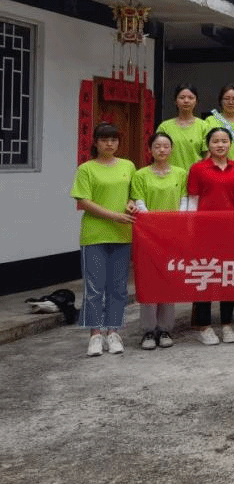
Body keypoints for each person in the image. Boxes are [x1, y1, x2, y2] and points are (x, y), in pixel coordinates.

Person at [71, 122, 136, 357]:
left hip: (122, 234)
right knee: (94, 288)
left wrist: (130, 204)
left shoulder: (128, 166)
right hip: (95, 235)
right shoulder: (86, 169)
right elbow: (83, 201)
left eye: (114, 140)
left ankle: (113, 332)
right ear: (96, 143)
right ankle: (95, 335)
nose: (110, 144)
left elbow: (134, 194)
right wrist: (113, 216)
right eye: (105, 140)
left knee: (118, 288)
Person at [186, 126, 234, 345]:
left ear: (230, 144)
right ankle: (204, 325)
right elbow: (192, 199)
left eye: (224, 141)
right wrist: (190, 227)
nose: (220, 145)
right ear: (208, 145)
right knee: (205, 275)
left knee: (228, 276)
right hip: (204, 230)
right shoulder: (198, 168)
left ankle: (227, 324)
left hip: (231, 230)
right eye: (215, 141)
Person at [130, 131, 187, 350]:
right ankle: (148, 330)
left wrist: (177, 224)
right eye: (157, 146)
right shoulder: (141, 175)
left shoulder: (181, 173)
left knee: (168, 279)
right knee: (149, 280)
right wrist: (154, 226)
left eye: (166, 146)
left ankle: (165, 329)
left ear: (171, 149)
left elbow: (184, 200)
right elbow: (139, 202)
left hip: (173, 234)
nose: (162, 150)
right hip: (148, 235)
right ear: (150, 150)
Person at [157, 83, 206, 171]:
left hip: (196, 175)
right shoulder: (165, 127)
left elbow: (208, 155)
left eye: (190, 98)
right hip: (171, 175)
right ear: (175, 101)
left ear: (196, 101)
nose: (186, 101)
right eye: (182, 97)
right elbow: (157, 152)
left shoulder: (204, 126)